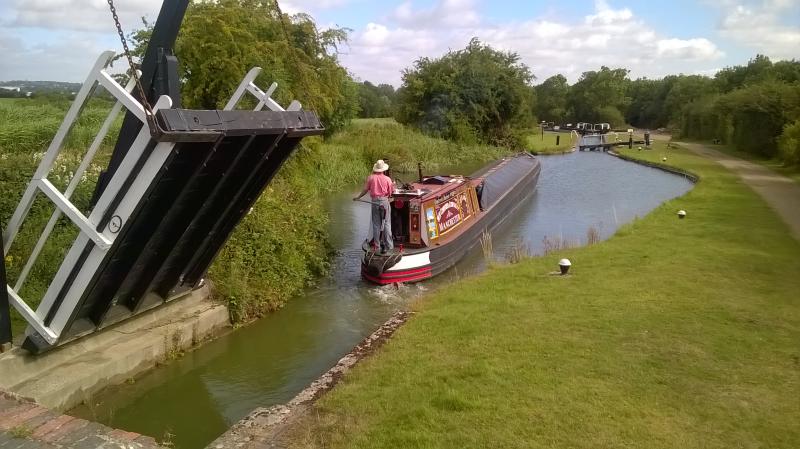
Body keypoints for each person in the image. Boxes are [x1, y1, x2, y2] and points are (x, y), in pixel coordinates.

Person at [354, 159, 394, 253]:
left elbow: (365, 190)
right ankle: (389, 245)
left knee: (376, 224)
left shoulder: (370, 178)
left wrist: (358, 197)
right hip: (384, 201)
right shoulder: (388, 179)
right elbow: (390, 192)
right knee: (387, 223)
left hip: (374, 202)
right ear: (383, 169)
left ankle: (377, 246)